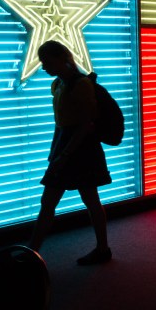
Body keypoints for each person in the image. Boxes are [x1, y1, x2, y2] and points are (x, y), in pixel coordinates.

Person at [28, 40, 112, 265]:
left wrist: (62, 155)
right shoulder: (59, 84)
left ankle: (31, 252)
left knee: (58, 201)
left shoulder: (78, 84)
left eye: (47, 61)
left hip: (78, 148)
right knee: (86, 199)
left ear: (61, 59)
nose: (44, 66)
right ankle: (102, 249)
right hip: (73, 147)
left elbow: (86, 124)